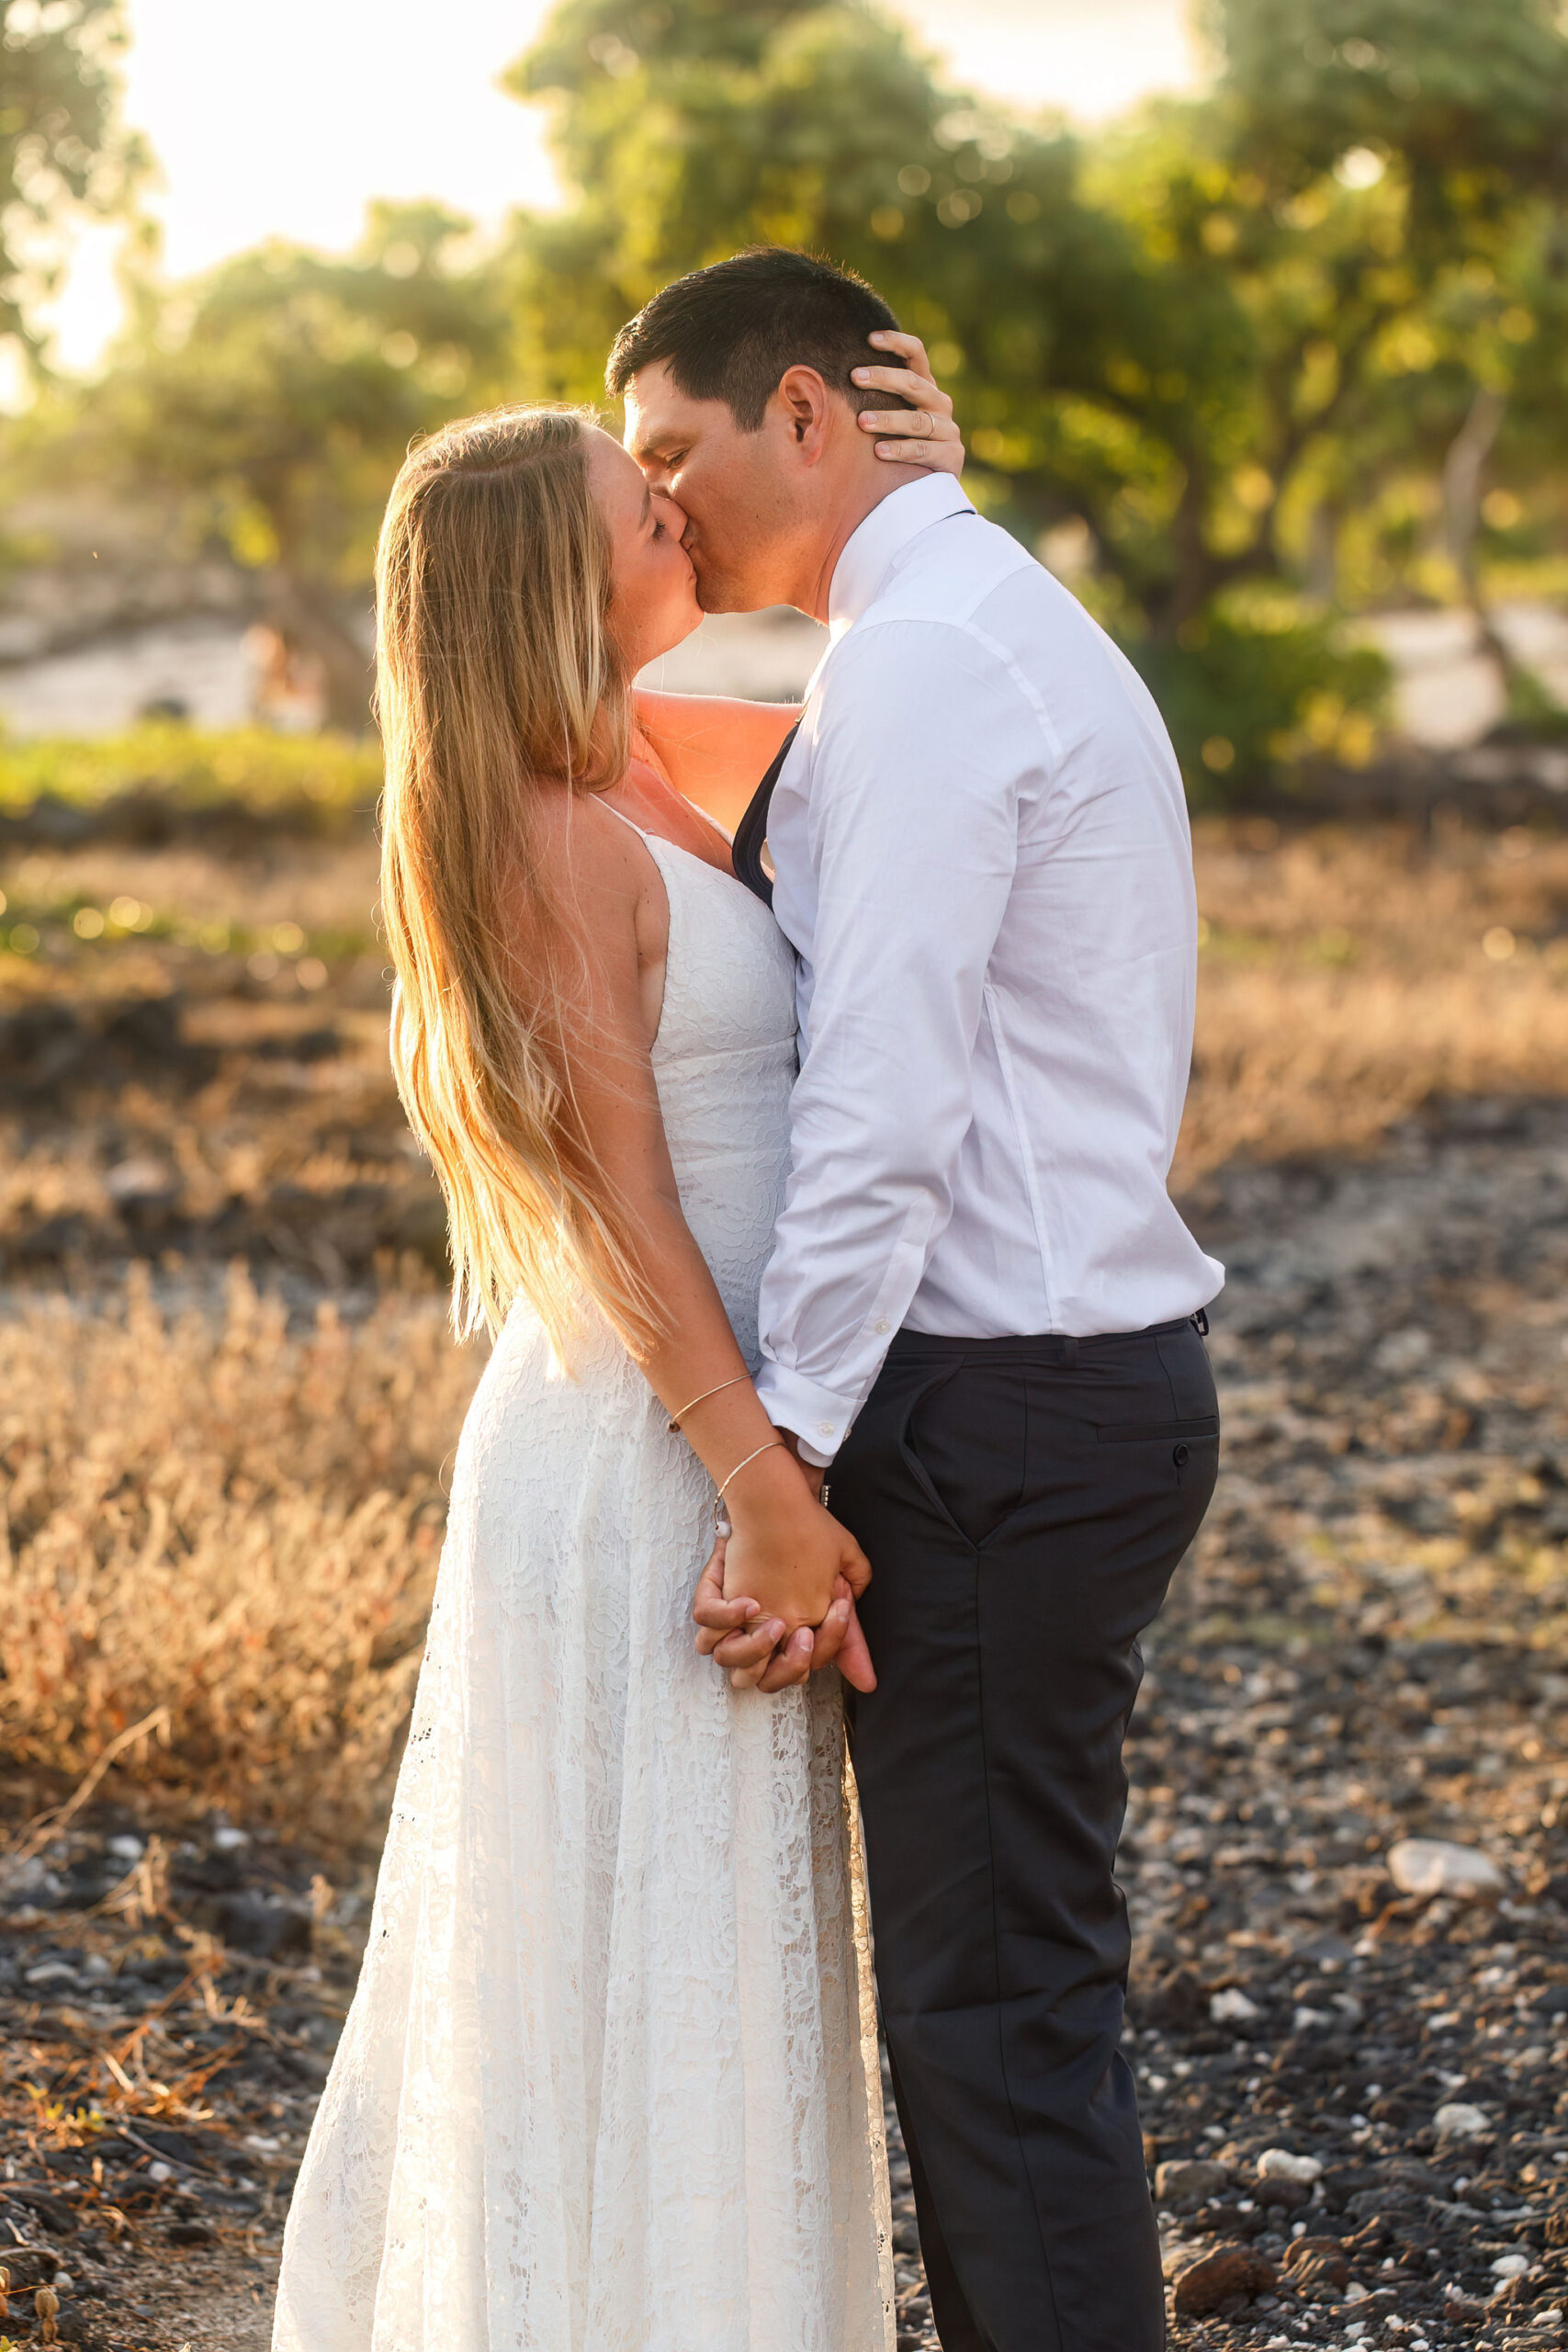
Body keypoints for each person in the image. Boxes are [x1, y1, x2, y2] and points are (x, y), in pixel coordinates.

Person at [272, 342, 966, 2347]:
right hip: (653, 1447)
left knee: (714, 1969)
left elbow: (897, 672)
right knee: (633, 1967)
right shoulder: (544, 831)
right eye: (635, 500)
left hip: (721, 1424)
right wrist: (758, 1485)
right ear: (547, 580)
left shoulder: (654, 755)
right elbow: (614, 1195)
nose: (677, 506)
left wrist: (925, 486)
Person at [610, 249, 1225, 2351]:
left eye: (670, 454)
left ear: (798, 411)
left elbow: (879, 1097)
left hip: (995, 1404)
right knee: (1006, 2002)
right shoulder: (950, 623)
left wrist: (775, 1439)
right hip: (1049, 1385)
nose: (657, 501)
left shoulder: (929, 661)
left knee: (991, 2015)